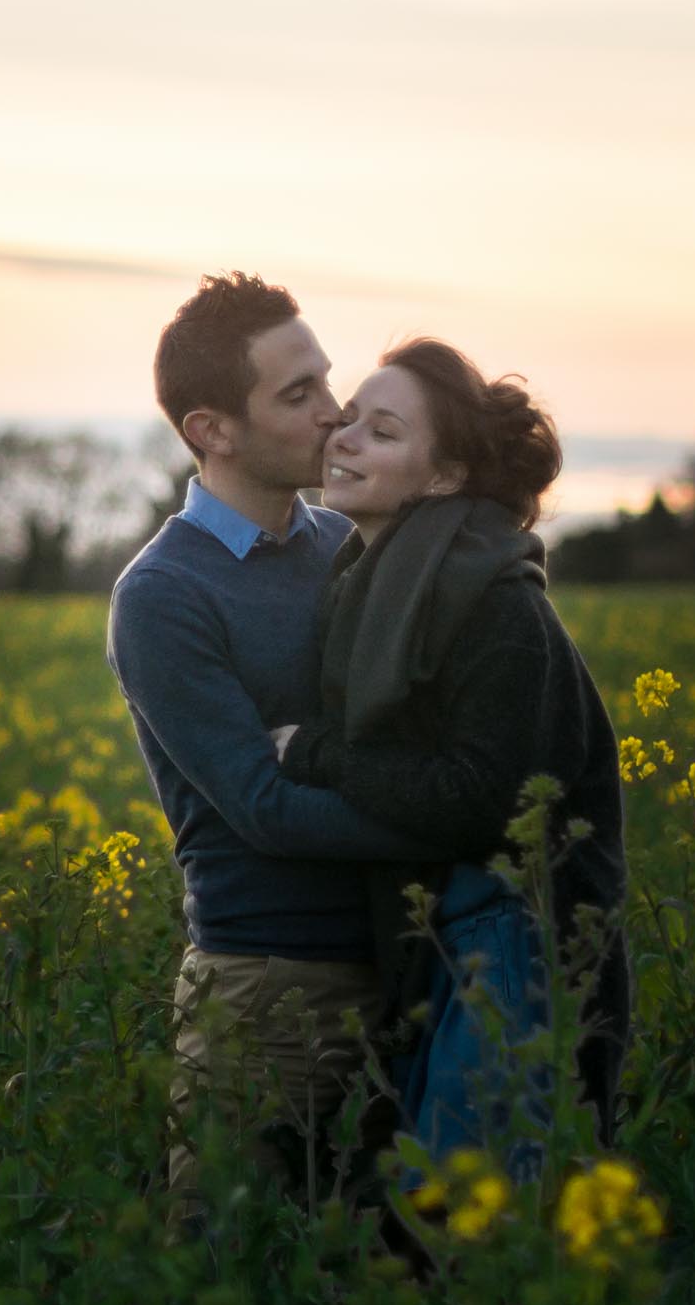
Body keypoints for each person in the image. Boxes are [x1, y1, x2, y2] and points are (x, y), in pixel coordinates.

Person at [106, 275, 444, 1210]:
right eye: (297, 396)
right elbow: (263, 807)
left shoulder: (348, 540)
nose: (335, 416)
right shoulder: (165, 594)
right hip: (268, 993)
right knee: (231, 1298)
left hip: (405, 973)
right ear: (211, 430)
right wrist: (455, 820)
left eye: (324, 381)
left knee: (380, 1295)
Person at [268, 339, 634, 1173]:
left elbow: (479, 800)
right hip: (442, 934)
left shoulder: (496, 605)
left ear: (443, 479)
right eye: (350, 417)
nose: (344, 437)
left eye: (383, 431)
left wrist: (313, 754)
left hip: (516, 942)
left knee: (469, 1229)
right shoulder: (380, 581)